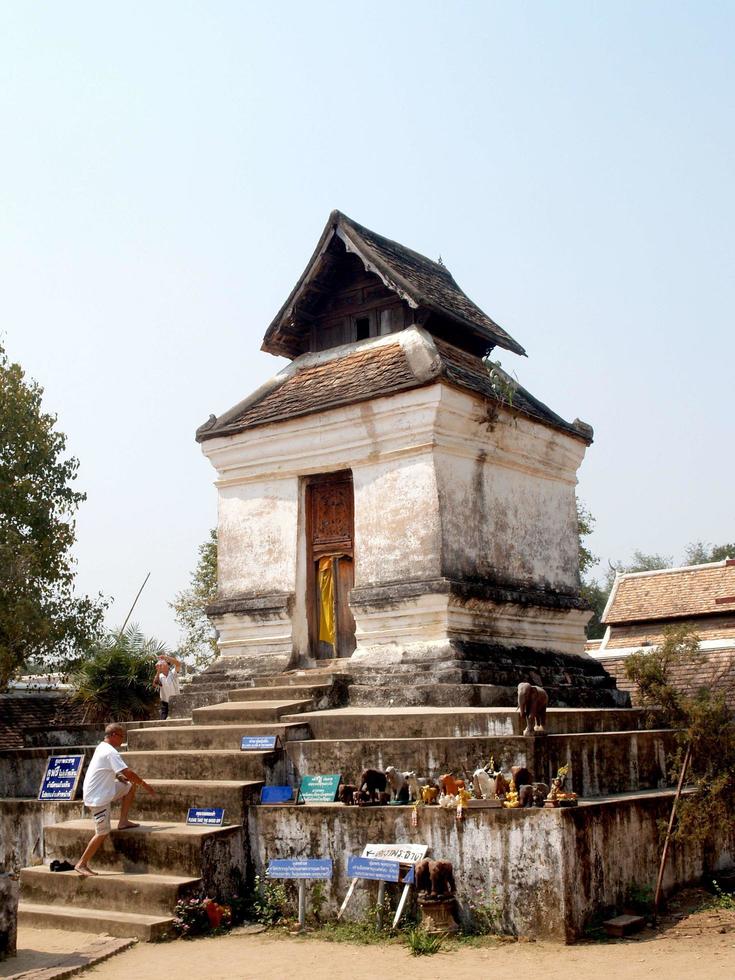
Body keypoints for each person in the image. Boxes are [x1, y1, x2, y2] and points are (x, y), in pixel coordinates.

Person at [75, 722, 156, 877]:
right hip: (98, 798)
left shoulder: (102, 747)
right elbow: (128, 772)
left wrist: (119, 777)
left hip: (105, 790)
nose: (122, 740)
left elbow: (113, 771)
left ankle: (123, 821)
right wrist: (145, 785)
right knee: (103, 831)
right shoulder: (110, 752)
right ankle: (82, 863)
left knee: (130, 786)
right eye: (121, 736)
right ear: (113, 735)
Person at [153, 653, 182, 720]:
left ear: (168, 665)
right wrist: (158, 671)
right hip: (165, 703)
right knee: (163, 722)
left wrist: (165, 657)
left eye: (163, 663)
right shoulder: (159, 676)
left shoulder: (173, 673)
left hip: (176, 701)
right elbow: (154, 684)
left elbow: (178, 663)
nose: (161, 664)